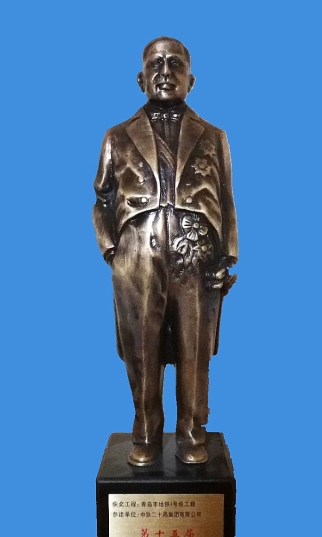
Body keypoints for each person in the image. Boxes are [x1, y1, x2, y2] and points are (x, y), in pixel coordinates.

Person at [92, 37, 239, 466]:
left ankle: (192, 434)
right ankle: (145, 432)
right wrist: (112, 250)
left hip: (196, 255)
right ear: (140, 79)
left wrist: (227, 255)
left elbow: (227, 200)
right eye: (155, 64)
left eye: (175, 64)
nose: (165, 72)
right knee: (142, 346)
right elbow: (102, 199)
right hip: (136, 255)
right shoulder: (116, 136)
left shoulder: (214, 136)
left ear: (191, 80)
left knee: (194, 347)